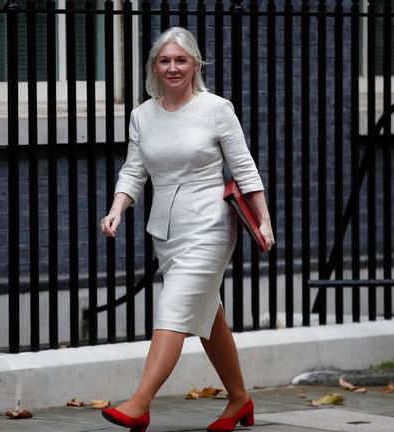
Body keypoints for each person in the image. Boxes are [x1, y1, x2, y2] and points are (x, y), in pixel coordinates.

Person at [99, 27, 275, 432]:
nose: (173, 67)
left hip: (211, 226)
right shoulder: (142, 115)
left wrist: (264, 219)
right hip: (167, 230)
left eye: (181, 60)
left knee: (175, 306)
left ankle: (140, 403)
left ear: (195, 63)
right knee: (207, 313)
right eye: (165, 61)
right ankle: (239, 400)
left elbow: (244, 169)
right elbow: (133, 171)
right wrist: (116, 210)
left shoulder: (216, 108)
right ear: (154, 67)